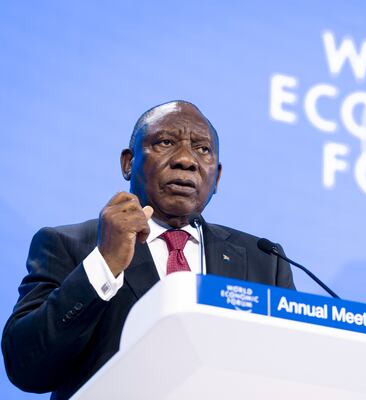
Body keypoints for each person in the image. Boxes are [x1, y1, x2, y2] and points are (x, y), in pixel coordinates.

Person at [1, 100, 295, 400]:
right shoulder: (70, 245)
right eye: (166, 142)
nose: (186, 160)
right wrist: (105, 263)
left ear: (216, 177)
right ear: (128, 163)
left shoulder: (265, 261)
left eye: (202, 149)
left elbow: (289, 371)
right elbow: (26, 366)